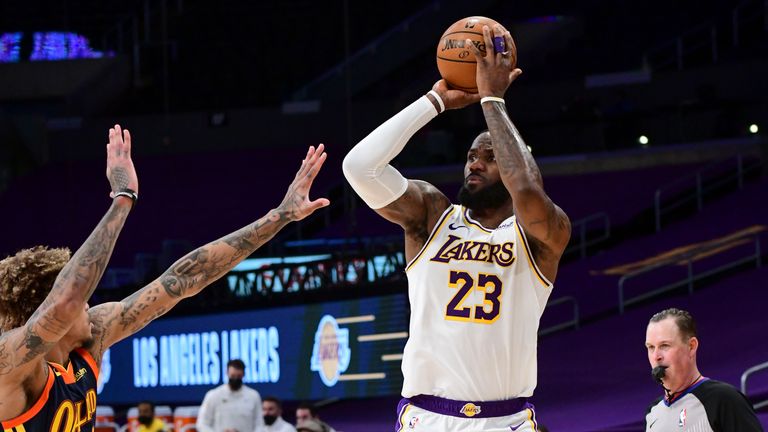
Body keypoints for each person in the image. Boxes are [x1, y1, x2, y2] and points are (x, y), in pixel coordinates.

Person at [0, 123, 330, 431]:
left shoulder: (92, 338)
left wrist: (280, 216)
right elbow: (65, 301)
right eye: (82, 299)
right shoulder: (11, 362)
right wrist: (122, 199)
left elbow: (185, 278)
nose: (88, 303)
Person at [343, 24, 571, 431]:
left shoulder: (542, 234)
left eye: (490, 156)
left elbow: (524, 188)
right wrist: (433, 102)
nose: (475, 163)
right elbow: (359, 167)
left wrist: (492, 99)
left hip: (506, 420)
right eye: (470, 156)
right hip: (428, 416)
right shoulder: (431, 216)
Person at [644, 308, 762, 431]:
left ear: (691, 346)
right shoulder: (652, 412)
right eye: (651, 347)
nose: (656, 356)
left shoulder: (723, 399)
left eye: (664, 345)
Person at [197, 359, 263, 432]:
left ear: (243, 374)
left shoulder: (253, 396)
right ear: (227, 373)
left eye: (238, 376)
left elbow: (259, 424)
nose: (235, 379)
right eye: (233, 376)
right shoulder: (213, 395)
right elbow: (202, 424)